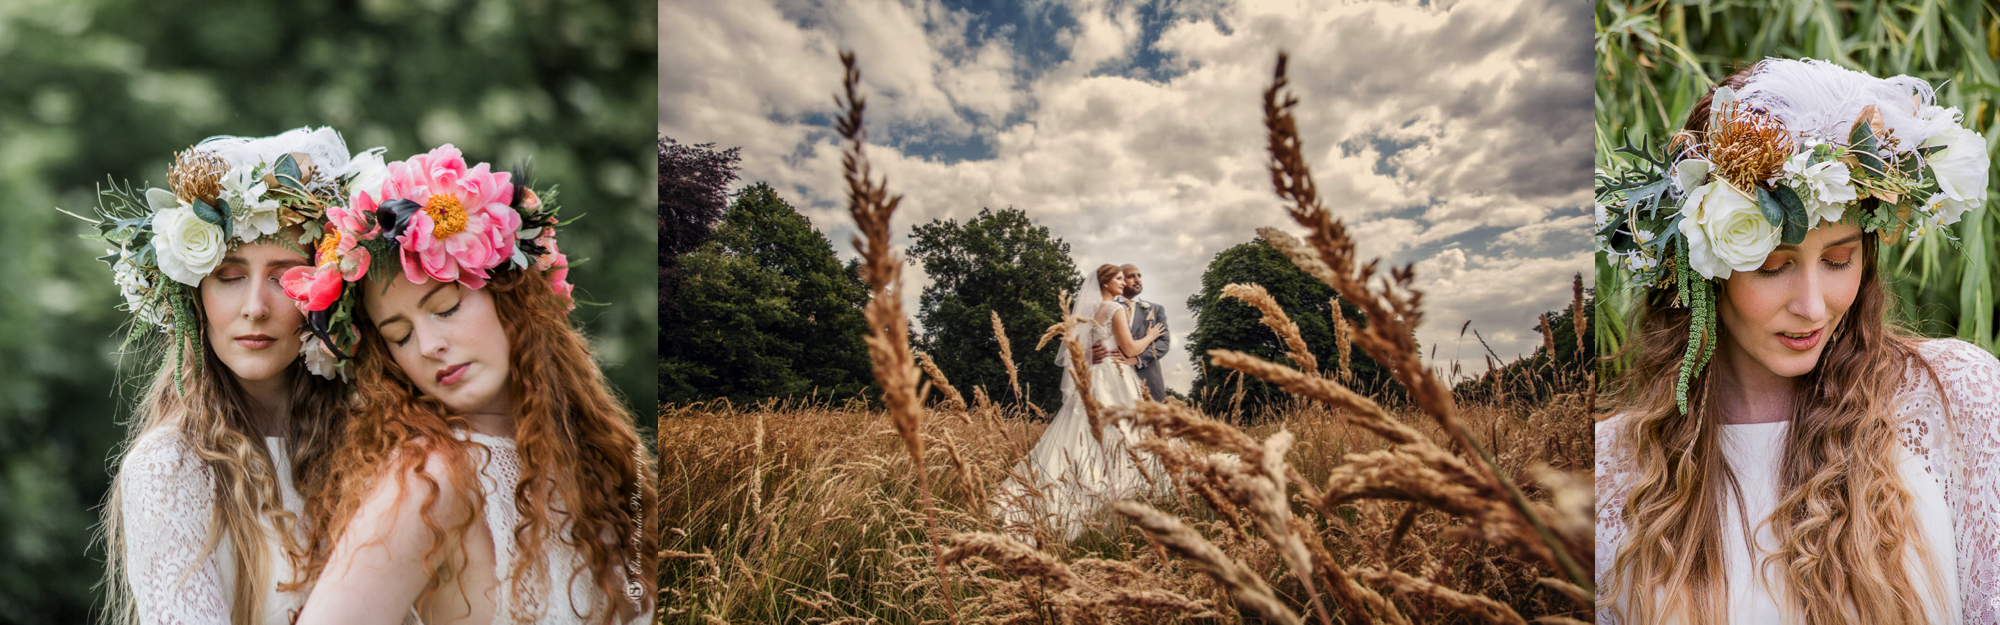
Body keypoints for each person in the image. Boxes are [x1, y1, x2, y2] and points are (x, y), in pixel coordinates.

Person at [1594, 58, 1998, 624]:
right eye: (1772, 266)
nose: (1813, 305)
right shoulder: (1613, 471)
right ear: (1707, 263)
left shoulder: (1956, 399)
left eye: (1839, 259)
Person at [282, 145, 656, 624]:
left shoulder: (599, 458)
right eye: (400, 334)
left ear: (510, 298)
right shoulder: (430, 479)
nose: (430, 345)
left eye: (446, 308)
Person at [91, 127, 376, 625]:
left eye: (284, 275)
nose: (255, 309)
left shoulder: (376, 436)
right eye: (230, 276)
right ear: (195, 297)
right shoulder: (171, 466)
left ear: (327, 288)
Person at [991, 263, 1169, 543]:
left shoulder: (1094, 310)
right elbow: (1130, 348)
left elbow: (1081, 346)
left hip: (1096, 375)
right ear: (1106, 283)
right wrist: (1150, 336)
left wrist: (1091, 351)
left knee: (1085, 429)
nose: (1124, 283)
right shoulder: (1115, 309)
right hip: (1114, 374)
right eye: (1119, 279)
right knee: (1123, 431)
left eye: (1126, 278)